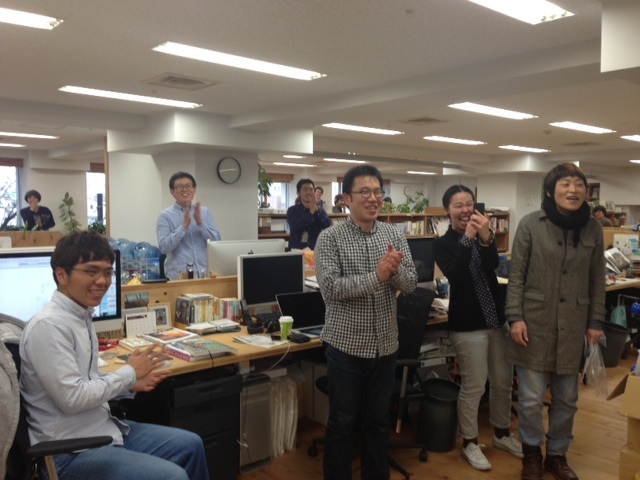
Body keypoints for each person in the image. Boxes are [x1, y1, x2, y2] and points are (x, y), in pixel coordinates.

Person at [20, 231, 209, 480]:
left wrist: (129, 385)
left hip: (101, 430)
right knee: (172, 476)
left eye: (108, 273)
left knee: (191, 445)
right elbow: (73, 398)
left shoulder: (80, 315)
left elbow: (86, 379)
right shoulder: (49, 326)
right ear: (62, 275)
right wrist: (128, 373)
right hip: (69, 451)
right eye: (91, 271)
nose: (102, 281)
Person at [314, 165, 418, 480]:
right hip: (346, 347)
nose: (373, 198)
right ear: (347, 199)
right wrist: (378, 276)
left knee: (377, 422)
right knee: (342, 423)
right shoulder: (330, 238)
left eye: (377, 192)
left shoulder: (394, 234)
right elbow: (331, 289)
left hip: (385, 346)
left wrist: (393, 272)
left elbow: (411, 283)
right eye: (364, 192)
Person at [506, 163, 605, 480]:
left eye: (579, 184)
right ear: (550, 191)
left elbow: (597, 279)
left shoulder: (593, 228)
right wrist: (515, 317)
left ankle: (557, 455)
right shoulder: (530, 224)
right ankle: (532, 454)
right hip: (534, 324)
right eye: (565, 183)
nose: (573, 190)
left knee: (567, 399)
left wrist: (596, 321)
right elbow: (516, 276)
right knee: (531, 399)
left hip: (573, 324)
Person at [432, 185, 521, 471]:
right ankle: (470, 441)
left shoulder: (486, 234)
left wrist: (485, 238)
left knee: (502, 382)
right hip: (468, 325)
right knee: (474, 385)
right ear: (447, 210)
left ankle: (502, 434)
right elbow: (456, 275)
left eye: (469, 204)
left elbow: (492, 264)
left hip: (495, 318)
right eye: (458, 205)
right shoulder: (442, 243)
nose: (465, 210)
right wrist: (468, 238)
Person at [157, 172, 221, 280]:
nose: (185, 189)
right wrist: (183, 226)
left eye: (188, 186)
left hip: (205, 275)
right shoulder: (165, 216)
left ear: (194, 189)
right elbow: (164, 248)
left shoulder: (205, 212)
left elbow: (217, 242)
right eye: (179, 187)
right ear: (172, 191)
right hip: (179, 278)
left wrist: (200, 223)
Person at [286, 179, 331, 250]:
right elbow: (296, 227)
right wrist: (310, 213)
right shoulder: (292, 210)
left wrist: (317, 211)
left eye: (311, 189)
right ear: (298, 193)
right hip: (297, 250)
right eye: (305, 189)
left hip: (316, 250)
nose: (308, 192)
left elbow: (327, 226)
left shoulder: (320, 210)